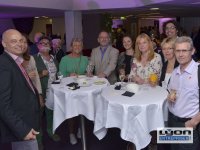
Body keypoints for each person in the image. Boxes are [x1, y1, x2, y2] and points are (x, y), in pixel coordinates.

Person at [0, 29, 40, 150]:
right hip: (20, 129)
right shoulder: (3, 64)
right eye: (13, 41)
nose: (20, 44)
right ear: (4, 44)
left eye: (21, 40)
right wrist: (23, 130)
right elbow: (2, 104)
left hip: (27, 122)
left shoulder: (16, 61)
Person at [167, 36, 200, 150]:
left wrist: (193, 123)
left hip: (188, 124)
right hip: (172, 121)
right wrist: (170, 96)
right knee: (173, 148)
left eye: (184, 50)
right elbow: (172, 91)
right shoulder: (175, 72)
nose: (180, 54)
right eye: (178, 51)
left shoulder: (198, 71)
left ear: (193, 51)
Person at [59, 38, 88, 145]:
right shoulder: (64, 59)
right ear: (71, 47)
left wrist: (88, 73)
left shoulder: (85, 59)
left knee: (83, 109)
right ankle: (71, 133)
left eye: (79, 45)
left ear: (82, 47)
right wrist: (68, 75)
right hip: (70, 90)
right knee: (71, 112)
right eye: (75, 45)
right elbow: (60, 75)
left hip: (83, 90)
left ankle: (81, 128)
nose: (77, 47)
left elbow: (87, 73)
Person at [33, 36, 59, 142]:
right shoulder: (33, 59)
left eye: (47, 43)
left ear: (50, 46)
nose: (44, 45)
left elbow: (57, 75)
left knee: (50, 113)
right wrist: (40, 74)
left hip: (52, 92)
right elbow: (27, 77)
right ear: (38, 45)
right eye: (42, 43)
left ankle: (51, 131)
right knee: (38, 117)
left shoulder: (54, 58)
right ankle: (38, 140)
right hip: (40, 92)